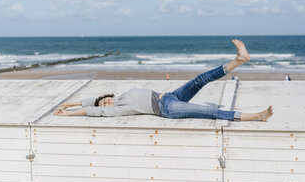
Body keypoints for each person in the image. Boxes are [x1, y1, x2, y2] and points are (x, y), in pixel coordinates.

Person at [54, 40, 273, 122]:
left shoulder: (119, 96)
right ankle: (257, 116)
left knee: (200, 79)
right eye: (103, 106)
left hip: (169, 96)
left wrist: (69, 103)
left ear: (108, 96)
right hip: (166, 108)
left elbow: (91, 100)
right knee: (209, 112)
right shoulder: (116, 109)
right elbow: (92, 110)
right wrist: (69, 114)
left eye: (104, 101)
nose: (105, 104)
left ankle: (238, 60)